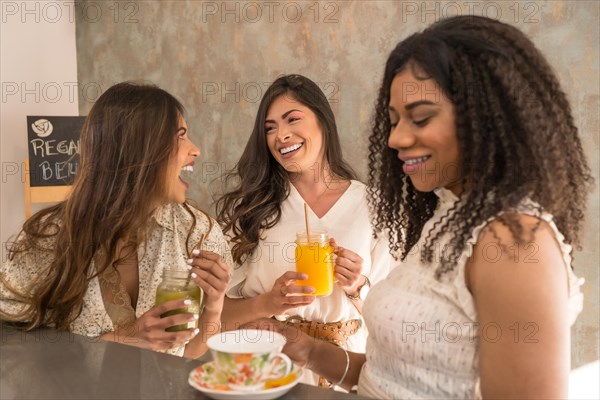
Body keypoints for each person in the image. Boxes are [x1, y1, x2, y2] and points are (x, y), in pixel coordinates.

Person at [248, 16, 593, 398]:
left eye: (421, 117)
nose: (395, 138)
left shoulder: (513, 243)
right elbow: (394, 379)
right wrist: (311, 351)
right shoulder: (446, 222)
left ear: (486, 116)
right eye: (393, 120)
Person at [0, 82, 232, 359]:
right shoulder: (51, 240)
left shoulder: (199, 233)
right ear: (139, 149)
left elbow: (190, 353)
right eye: (180, 136)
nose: (196, 150)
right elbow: (10, 345)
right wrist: (127, 337)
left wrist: (215, 304)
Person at [216, 74, 393, 387]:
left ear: (323, 122)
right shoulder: (249, 209)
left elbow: (398, 321)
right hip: (268, 365)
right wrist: (267, 303)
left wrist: (358, 286)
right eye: (269, 128)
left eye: (292, 120)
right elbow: (216, 316)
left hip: (348, 370)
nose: (281, 135)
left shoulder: (374, 205)